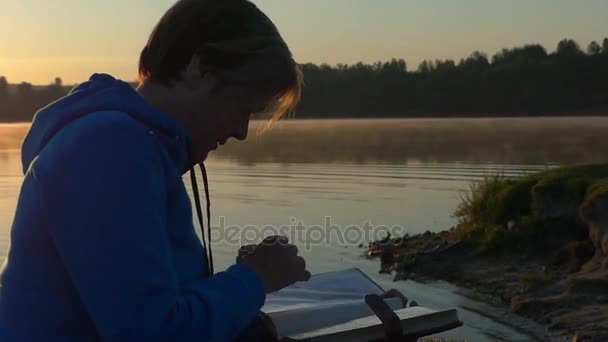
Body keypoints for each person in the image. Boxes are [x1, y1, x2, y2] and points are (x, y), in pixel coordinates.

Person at [0, 0, 309, 340]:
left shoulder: (137, 146)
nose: (241, 131)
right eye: (242, 108)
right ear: (200, 69)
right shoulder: (107, 149)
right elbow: (153, 334)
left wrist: (240, 278)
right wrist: (254, 278)